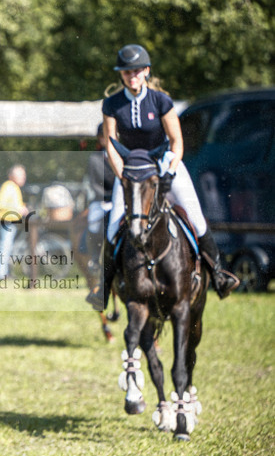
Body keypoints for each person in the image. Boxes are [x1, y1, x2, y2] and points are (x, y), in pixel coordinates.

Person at [87, 44, 239, 311]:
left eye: (136, 71)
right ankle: (103, 287)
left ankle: (218, 275)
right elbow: (111, 143)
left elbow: (176, 141)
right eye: (126, 72)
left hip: (164, 166)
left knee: (195, 217)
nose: (131, 76)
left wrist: (168, 170)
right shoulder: (112, 104)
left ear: (145, 71)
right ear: (121, 75)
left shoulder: (161, 101)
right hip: (132, 174)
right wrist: (122, 173)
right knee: (112, 228)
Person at [85, 124, 115, 271]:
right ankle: (95, 259)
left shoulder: (121, 156)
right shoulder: (94, 159)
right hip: (101, 200)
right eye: (103, 137)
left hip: (119, 199)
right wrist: (106, 197)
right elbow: (93, 183)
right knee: (94, 222)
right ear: (100, 139)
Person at [0, 165, 29, 279]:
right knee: (5, 247)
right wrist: (17, 209)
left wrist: (22, 207)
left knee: (7, 247)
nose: (24, 178)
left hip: (11, 221)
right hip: (6, 221)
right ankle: (1, 274)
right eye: (21, 175)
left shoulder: (13, 187)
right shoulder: (8, 186)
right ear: (12, 176)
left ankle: (5, 272)